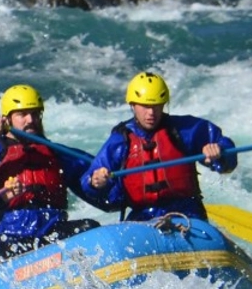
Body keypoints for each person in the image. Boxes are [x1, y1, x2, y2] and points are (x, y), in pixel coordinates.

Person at [0, 84, 103, 259]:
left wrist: (95, 181)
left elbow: (94, 182)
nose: (30, 120)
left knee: (90, 227)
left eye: (34, 114)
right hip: (9, 233)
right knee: (3, 252)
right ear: (7, 119)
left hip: (51, 229)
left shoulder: (54, 151)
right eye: (22, 114)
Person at [82, 72, 237, 222]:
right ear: (133, 105)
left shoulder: (185, 130)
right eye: (145, 106)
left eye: (156, 106)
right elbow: (90, 181)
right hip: (142, 216)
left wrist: (219, 151)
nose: (151, 113)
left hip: (188, 212)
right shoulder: (120, 141)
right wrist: (95, 182)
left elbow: (228, 157)